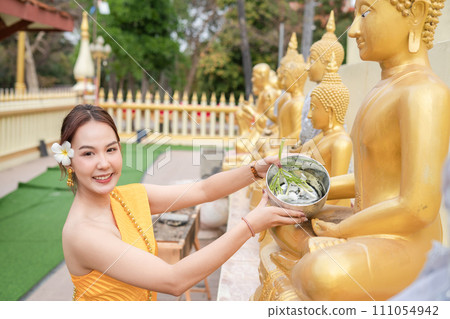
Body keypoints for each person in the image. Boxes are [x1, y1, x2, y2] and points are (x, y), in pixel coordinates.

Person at [53, 104, 306, 301]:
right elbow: (173, 280)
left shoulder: (124, 197)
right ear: (69, 161)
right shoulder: (83, 234)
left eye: (111, 149)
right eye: (88, 153)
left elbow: (204, 190)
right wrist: (250, 226)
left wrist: (256, 170)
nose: (104, 163)